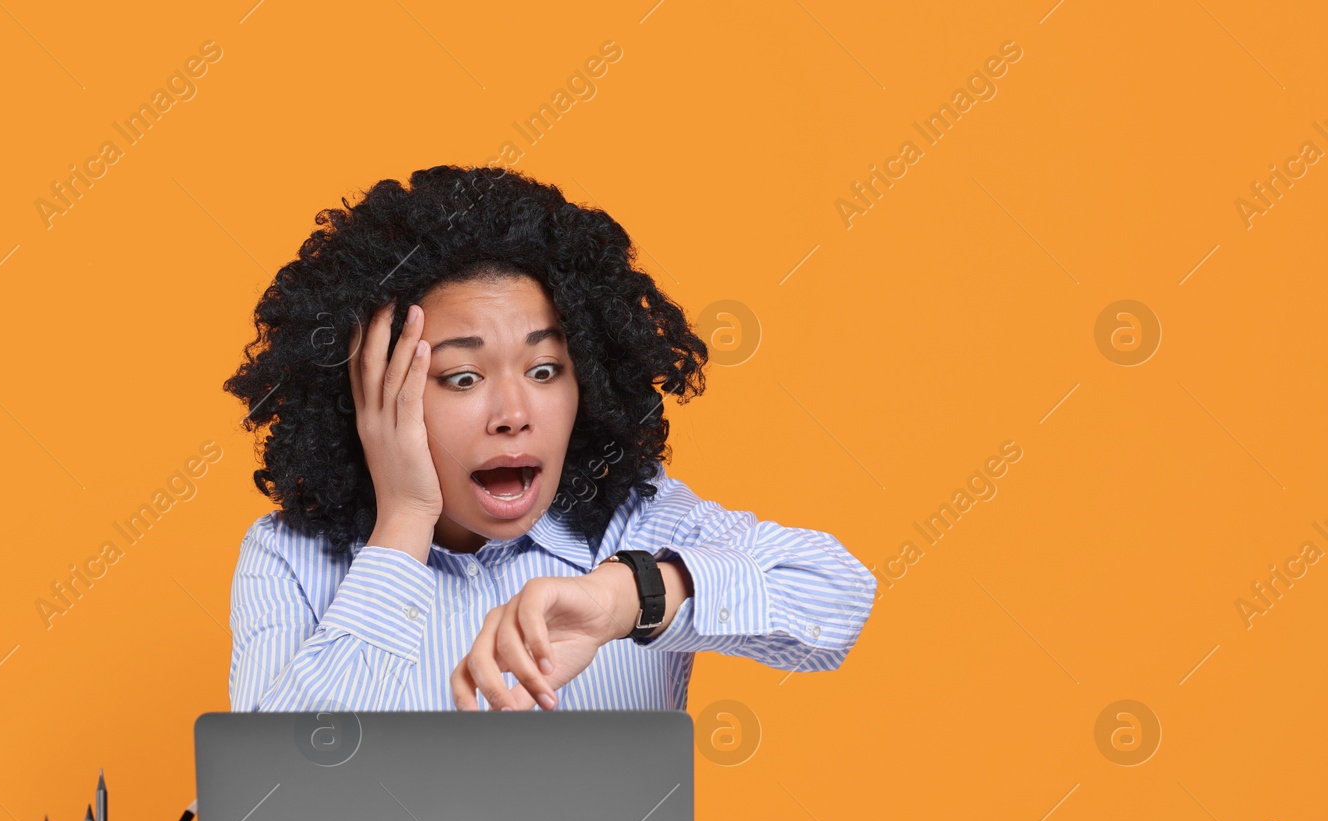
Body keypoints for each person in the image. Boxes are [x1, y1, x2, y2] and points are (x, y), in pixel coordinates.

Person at [223, 166, 875, 712]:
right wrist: (402, 523)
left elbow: (837, 595)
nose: (513, 412)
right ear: (373, 397)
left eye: (544, 370)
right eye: (462, 376)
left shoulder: (633, 524)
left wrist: (624, 597)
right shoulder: (290, 560)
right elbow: (270, 799)